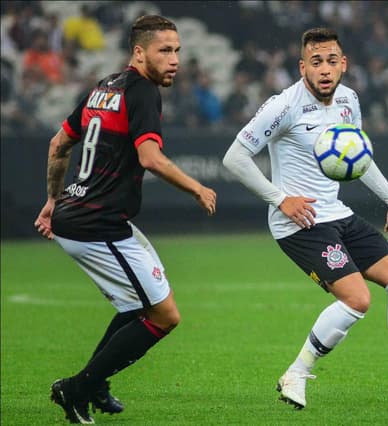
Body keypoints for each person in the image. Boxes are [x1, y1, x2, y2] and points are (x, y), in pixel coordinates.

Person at [223, 27, 388, 411]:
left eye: (332, 61)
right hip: (300, 222)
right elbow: (234, 158)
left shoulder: (348, 100)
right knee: (358, 299)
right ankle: (296, 373)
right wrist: (281, 200)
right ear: (302, 67)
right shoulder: (284, 105)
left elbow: (357, 156)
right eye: (316, 62)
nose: (325, 70)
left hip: (337, 214)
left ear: (343, 64)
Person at [33, 15, 217, 424]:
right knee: (165, 315)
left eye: (177, 51)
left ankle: (93, 384)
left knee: (140, 307)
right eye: (164, 51)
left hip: (82, 216)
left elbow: (59, 143)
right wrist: (197, 188)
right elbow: (149, 158)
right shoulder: (143, 92)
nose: (174, 60)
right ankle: (77, 388)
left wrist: (51, 201)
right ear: (139, 52)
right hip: (97, 225)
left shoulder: (104, 87)